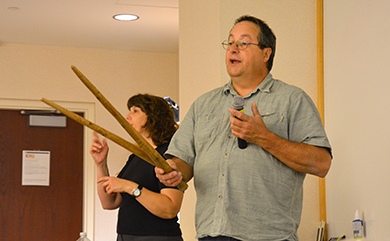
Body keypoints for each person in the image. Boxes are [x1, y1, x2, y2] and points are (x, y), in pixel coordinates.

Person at [155, 15, 332, 241]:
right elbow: (183, 162)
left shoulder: (292, 99)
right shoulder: (203, 104)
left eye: (243, 43)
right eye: (230, 42)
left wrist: (264, 137)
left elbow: (321, 163)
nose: (233, 49)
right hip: (211, 233)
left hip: (268, 237)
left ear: (266, 54)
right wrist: (172, 169)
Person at [90, 93, 184, 241]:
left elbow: (170, 209)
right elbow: (109, 202)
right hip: (126, 236)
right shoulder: (137, 156)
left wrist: (130, 187)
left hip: (156, 237)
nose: (127, 117)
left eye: (135, 111)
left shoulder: (168, 155)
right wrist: (101, 164)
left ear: (154, 117)